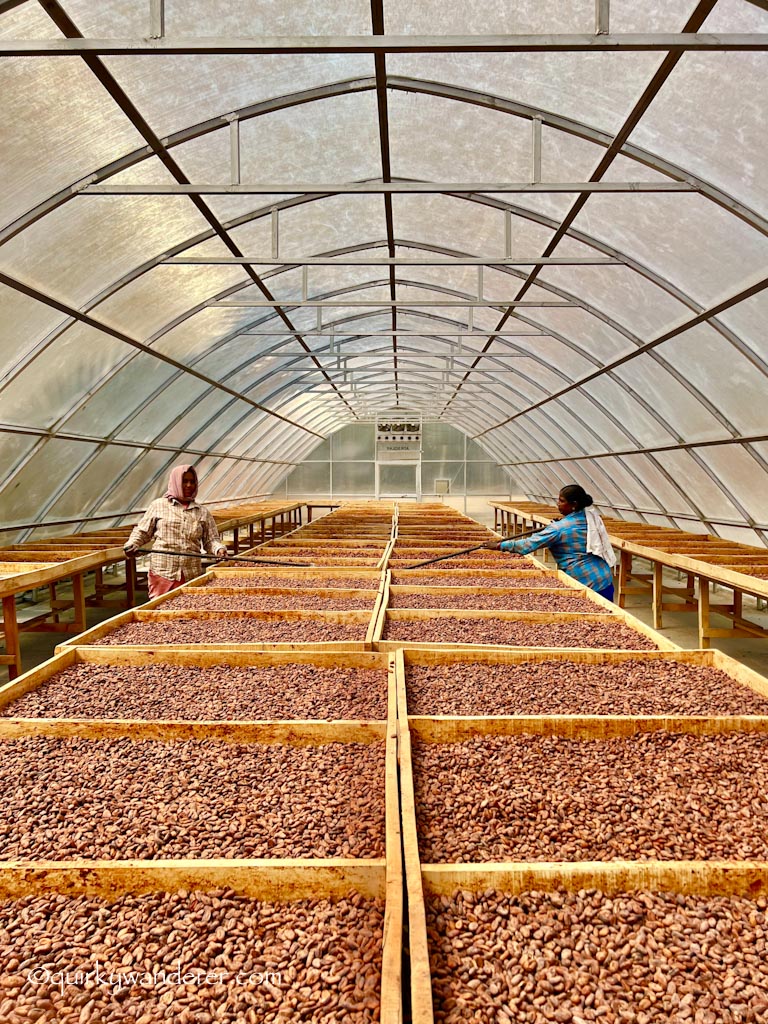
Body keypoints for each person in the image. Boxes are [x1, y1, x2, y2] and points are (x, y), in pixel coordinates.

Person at [489, 485, 617, 601]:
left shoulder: (559, 528)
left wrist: (499, 545)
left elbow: (527, 545)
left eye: (561, 501)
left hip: (587, 582)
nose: (558, 504)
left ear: (574, 504)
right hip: (604, 578)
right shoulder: (587, 517)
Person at [123, 464, 228, 600]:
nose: (189, 485)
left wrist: (219, 549)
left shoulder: (202, 512)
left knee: (188, 612)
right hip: (163, 572)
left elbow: (211, 540)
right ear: (175, 482)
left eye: (192, 481)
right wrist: (132, 544)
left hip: (191, 573)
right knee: (160, 612)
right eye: (184, 481)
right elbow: (143, 532)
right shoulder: (159, 506)